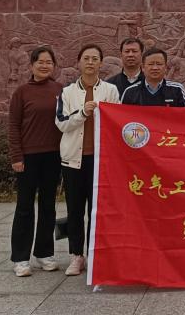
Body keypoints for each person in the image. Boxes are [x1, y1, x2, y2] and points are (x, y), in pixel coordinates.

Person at [55, 44, 120, 276]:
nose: (90, 62)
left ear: (101, 63)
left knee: (97, 210)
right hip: (74, 160)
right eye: (86, 58)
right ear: (79, 62)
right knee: (75, 209)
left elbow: (118, 121)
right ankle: (76, 255)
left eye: (95, 58)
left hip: (101, 160)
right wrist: (82, 112)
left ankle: (95, 254)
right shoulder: (67, 92)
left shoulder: (111, 90)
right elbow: (61, 123)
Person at [7, 45, 63, 277]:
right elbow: (13, 126)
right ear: (31, 65)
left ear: (54, 66)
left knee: (48, 206)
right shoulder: (22, 92)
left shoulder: (60, 90)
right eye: (40, 62)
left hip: (54, 156)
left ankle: (44, 253)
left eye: (49, 62)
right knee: (25, 207)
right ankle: (20, 258)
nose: (44, 66)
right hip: (28, 157)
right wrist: (16, 156)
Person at [121, 47, 185, 107]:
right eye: (150, 64)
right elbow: (122, 115)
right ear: (143, 67)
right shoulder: (130, 92)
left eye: (159, 64)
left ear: (165, 67)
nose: (155, 68)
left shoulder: (177, 90)